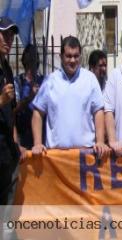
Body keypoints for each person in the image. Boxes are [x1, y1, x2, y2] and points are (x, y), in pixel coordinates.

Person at [32, 36, 109, 158]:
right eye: (68, 56)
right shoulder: (50, 81)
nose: (72, 60)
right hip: (56, 158)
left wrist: (100, 141)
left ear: (80, 56)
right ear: (61, 56)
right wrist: (37, 143)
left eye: (76, 56)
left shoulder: (90, 79)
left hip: (86, 155)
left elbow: (98, 111)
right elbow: (37, 113)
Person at [0, 16, 20, 205]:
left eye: (11, 36)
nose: (9, 40)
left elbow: (11, 112)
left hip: (7, 151)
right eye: (4, 34)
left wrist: (16, 143)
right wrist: (1, 100)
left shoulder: (7, 68)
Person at [13, 44, 44, 152]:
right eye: (29, 59)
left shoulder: (44, 81)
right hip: (23, 133)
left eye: (34, 58)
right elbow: (14, 109)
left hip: (41, 134)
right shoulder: (17, 81)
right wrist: (30, 97)